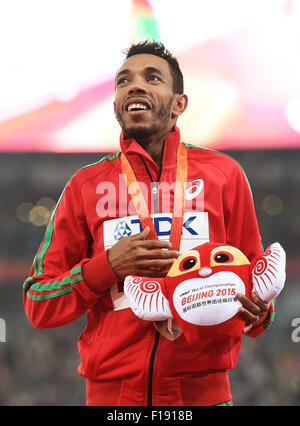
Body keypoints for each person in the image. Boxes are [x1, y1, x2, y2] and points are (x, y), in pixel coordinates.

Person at [23, 40, 275, 406]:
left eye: (152, 78)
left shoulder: (225, 175)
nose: (134, 86)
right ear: (115, 107)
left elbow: (257, 296)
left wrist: (259, 312)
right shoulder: (85, 186)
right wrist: (107, 267)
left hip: (204, 397)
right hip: (113, 400)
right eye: (124, 81)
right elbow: (38, 303)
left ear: (179, 104)